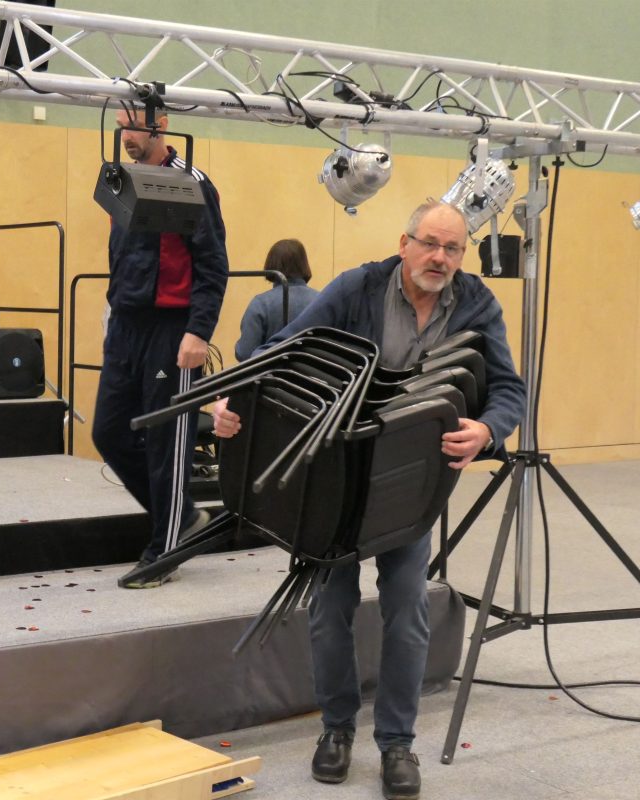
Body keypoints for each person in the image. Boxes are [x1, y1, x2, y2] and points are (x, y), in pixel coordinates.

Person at [212, 199, 524, 800]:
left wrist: (488, 428)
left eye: (452, 248)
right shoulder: (358, 288)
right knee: (331, 606)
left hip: (411, 481)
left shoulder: (477, 304)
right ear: (404, 243)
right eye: (429, 243)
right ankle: (336, 729)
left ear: (463, 255)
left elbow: (508, 387)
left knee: (407, 605)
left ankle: (397, 742)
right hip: (336, 473)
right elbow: (285, 347)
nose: (439, 257)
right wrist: (235, 399)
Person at [92, 106, 229, 589]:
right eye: (120, 126)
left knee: (167, 442)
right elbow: (120, 256)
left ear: (161, 123)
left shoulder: (192, 182)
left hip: (172, 329)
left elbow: (213, 263)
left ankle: (165, 549)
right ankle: (182, 517)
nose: (125, 136)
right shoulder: (122, 180)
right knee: (108, 432)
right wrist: (113, 313)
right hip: (126, 325)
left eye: (133, 125)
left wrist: (199, 331)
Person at [234, 238, 320, 361]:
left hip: (271, 372)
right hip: (314, 372)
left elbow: (245, 353)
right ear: (304, 264)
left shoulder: (261, 303)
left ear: (271, 264)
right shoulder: (321, 300)